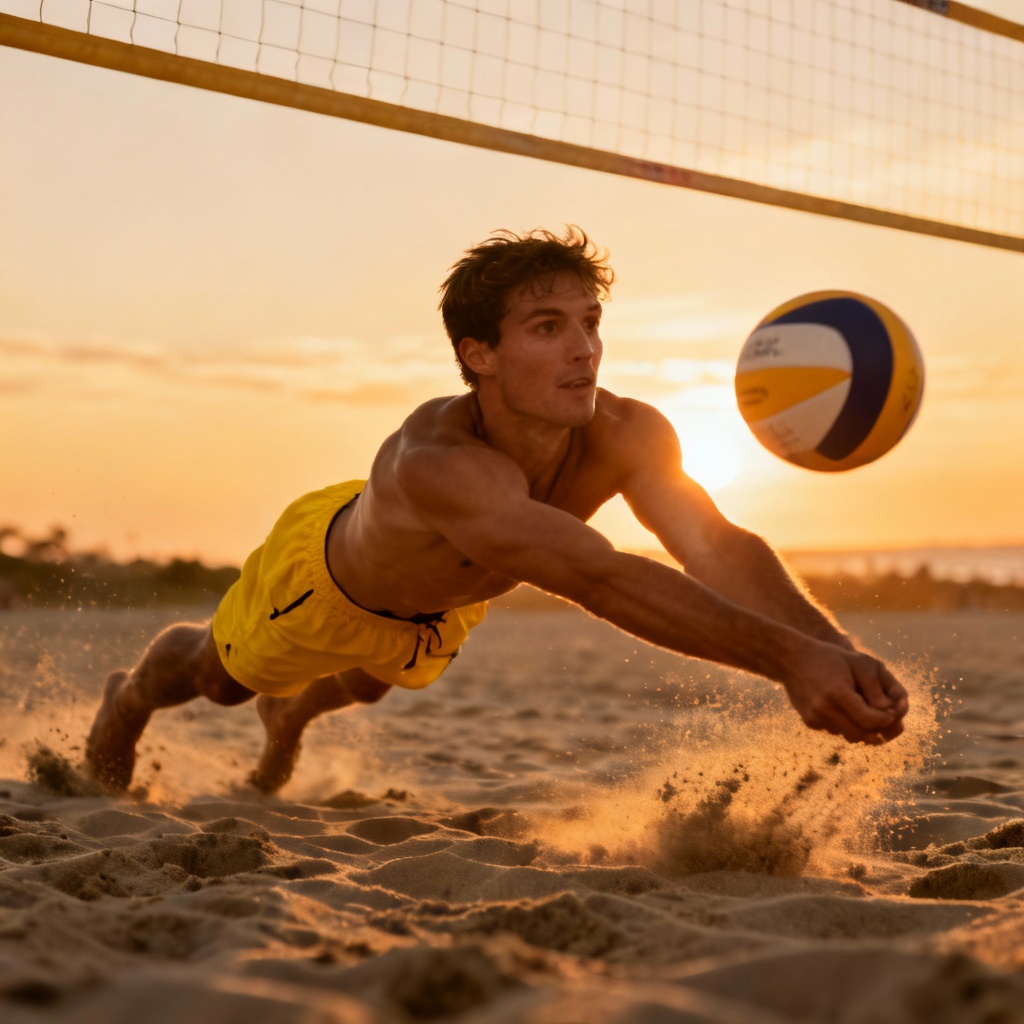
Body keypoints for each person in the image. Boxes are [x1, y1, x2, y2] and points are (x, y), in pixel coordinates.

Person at [85, 226, 909, 795]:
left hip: (445, 600)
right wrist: (791, 666)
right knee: (217, 680)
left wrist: (830, 648)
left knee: (369, 688)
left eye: (590, 323)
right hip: (331, 582)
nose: (584, 348)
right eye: (548, 328)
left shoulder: (627, 431)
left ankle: (292, 715)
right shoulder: (443, 464)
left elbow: (713, 544)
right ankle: (127, 700)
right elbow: (600, 575)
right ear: (478, 355)